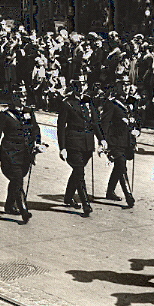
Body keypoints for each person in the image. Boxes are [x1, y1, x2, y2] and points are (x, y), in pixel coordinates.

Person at [0, 83, 44, 223]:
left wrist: (37, 143)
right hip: (10, 153)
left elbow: (35, 130)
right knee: (18, 179)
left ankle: (9, 205)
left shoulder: (28, 112)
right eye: (20, 96)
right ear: (13, 98)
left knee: (17, 180)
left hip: (25, 154)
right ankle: (24, 210)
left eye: (25, 95)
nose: (23, 99)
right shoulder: (5, 115)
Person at [56, 75, 106, 216]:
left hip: (87, 143)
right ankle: (86, 204)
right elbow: (60, 127)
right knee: (79, 172)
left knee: (78, 171)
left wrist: (101, 139)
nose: (81, 88)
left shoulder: (88, 101)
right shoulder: (67, 103)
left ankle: (67, 197)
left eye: (83, 85)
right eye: (78, 85)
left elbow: (95, 123)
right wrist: (62, 148)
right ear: (73, 87)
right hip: (73, 142)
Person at [100, 79, 139, 207]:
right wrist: (103, 140)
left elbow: (138, 119)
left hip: (127, 141)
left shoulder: (132, 102)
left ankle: (110, 191)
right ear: (117, 87)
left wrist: (137, 130)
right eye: (123, 85)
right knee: (121, 165)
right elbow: (104, 123)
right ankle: (129, 196)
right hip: (115, 140)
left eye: (128, 85)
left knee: (119, 166)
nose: (126, 88)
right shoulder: (111, 104)